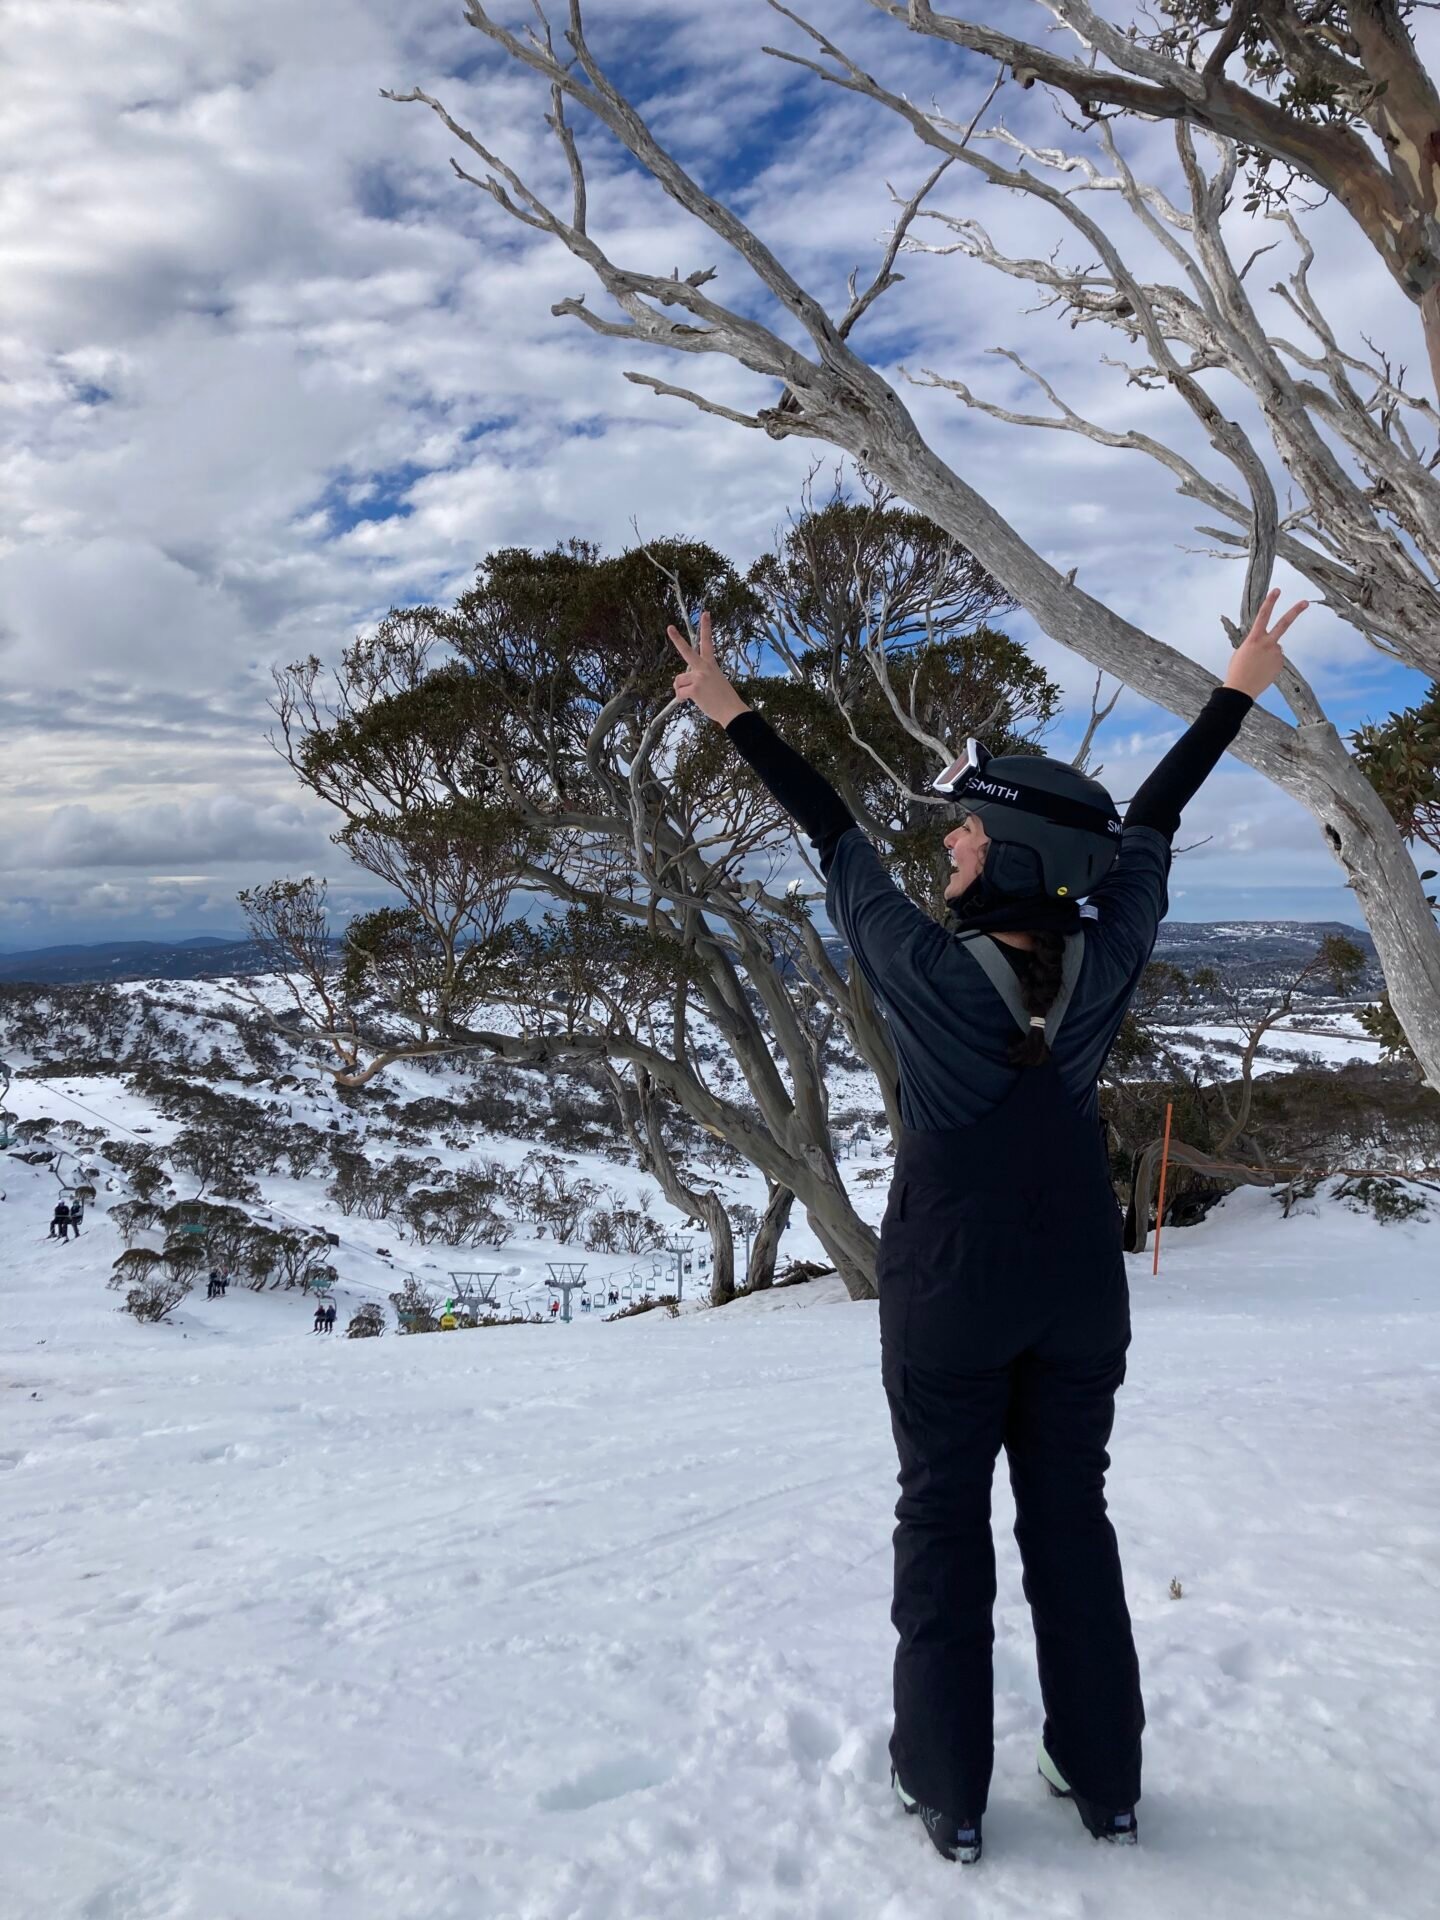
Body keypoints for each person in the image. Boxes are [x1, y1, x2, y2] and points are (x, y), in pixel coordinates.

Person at [668, 588, 1307, 1866]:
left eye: (966, 830)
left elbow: (829, 827)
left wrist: (730, 710)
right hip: (1080, 1282)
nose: (949, 846)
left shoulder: (913, 960)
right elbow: (1154, 818)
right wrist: (1236, 687)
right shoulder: (1110, 950)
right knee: (1072, 1515)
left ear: (1012, 853)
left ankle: (950, 1790)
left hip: (950, 1284)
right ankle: (1107, 1775)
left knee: (942, 1519)